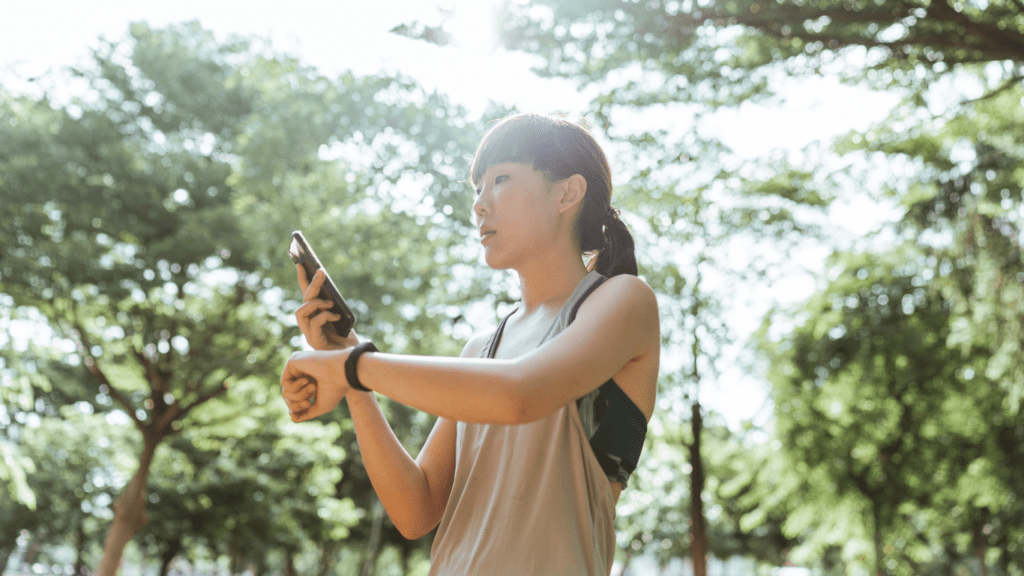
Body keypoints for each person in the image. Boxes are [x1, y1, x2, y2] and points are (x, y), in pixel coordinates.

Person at [280, 113, 660, 575]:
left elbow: (519, 395)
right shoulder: (482, 348)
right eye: (477, 188)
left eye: (500, 179)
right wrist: (352, 377)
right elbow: (416, 510)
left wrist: (353, 365)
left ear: (568, 192)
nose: (480, 204)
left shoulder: (622, 301)